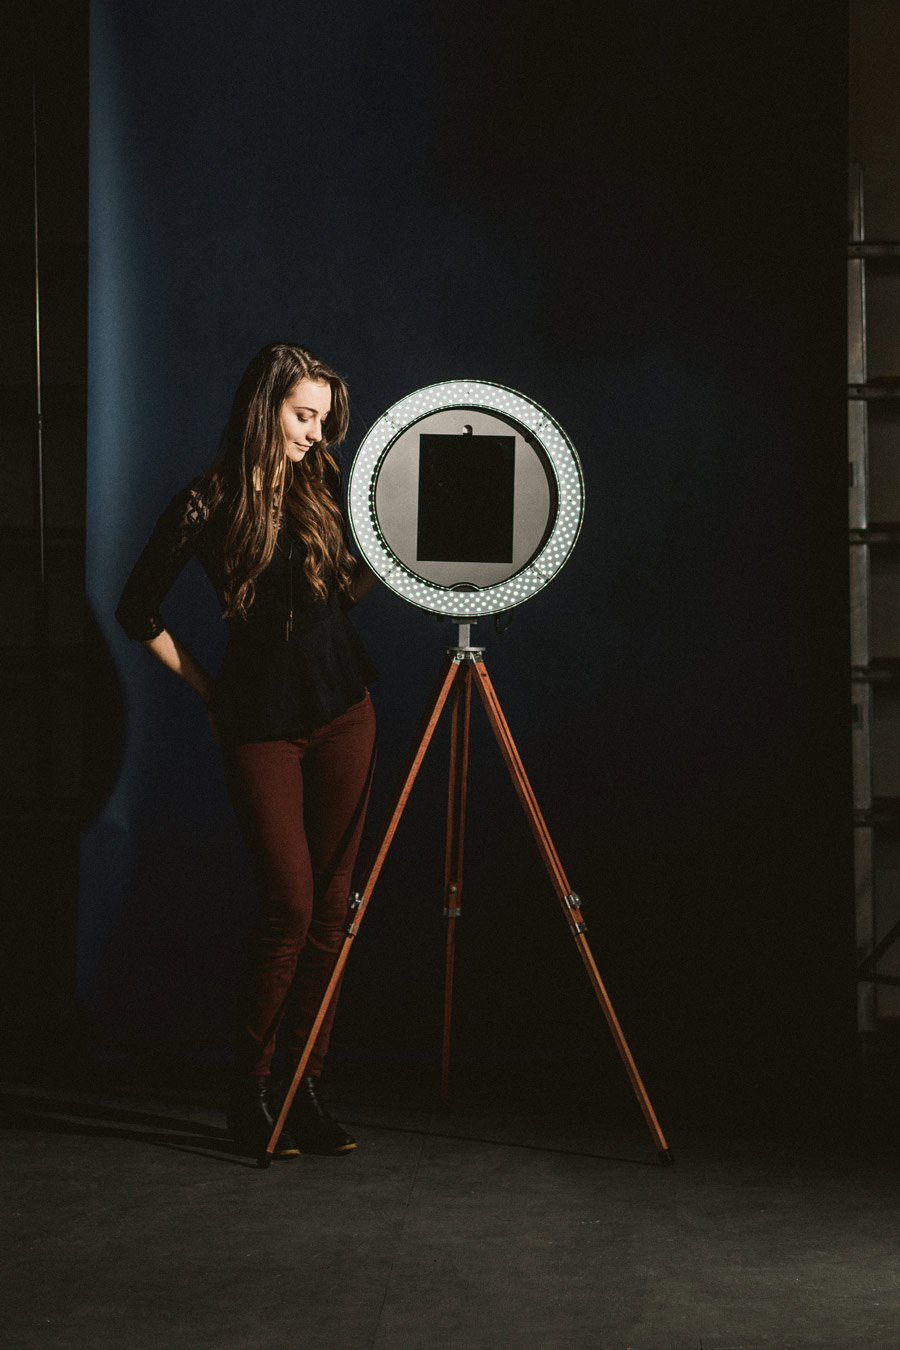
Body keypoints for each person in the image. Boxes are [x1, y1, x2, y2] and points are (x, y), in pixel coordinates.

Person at [115, 342, 378, 1160]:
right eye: (304, 417)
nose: (316, 434)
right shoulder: (207, 501)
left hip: (346, 714)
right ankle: (251, 1092)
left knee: (334, 912)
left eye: (325, 421)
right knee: (290, 907)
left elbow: (353, 581)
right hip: (259, 724)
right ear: (265, 408)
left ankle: (305, 1089)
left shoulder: (325, 485)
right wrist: (211, 693)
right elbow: (136, 609)